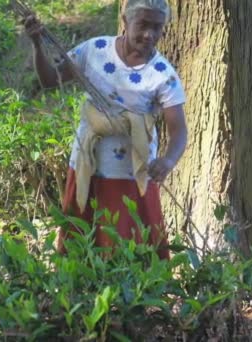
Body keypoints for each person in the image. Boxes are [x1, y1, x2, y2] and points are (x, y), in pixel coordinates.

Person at [24, 0, 187, 259]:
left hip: (132, 173)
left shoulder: (163, 74)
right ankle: (83, 294)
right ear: (125, 20)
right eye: (142, 24)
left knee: (132, 245)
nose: (149, 34)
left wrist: (167, 160)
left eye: (157, 27)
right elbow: (49, 80)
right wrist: (36, 43)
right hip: (87, 164)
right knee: (82, 238)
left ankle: (133, 299)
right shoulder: (95, 50)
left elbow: (178, 131)